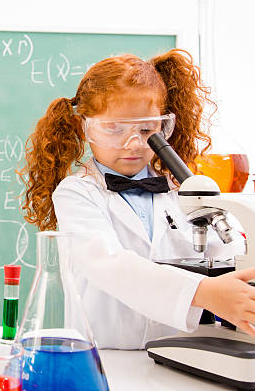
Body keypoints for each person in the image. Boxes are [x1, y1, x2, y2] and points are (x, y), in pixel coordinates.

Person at [19, 49, 255, 349]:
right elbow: (110, 265)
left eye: (146, 129)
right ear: (85, 127)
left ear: (163, 126)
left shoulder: (181, 185)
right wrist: (202, 292)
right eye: (114, 129)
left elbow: (229, 248)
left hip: (181, 352)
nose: (132, 144)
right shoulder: (77, 192)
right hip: (108, 356)